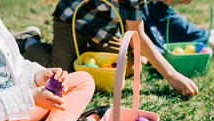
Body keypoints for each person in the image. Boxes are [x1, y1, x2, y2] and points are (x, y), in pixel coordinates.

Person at [17, 0, 208, 96]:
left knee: (127, 65)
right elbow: (137, 34)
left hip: (102, 26)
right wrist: (172, 75)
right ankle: (28, 41)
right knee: (62, 70)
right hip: (73, 19)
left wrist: (138, 52)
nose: (185, 2)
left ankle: (81, 52)